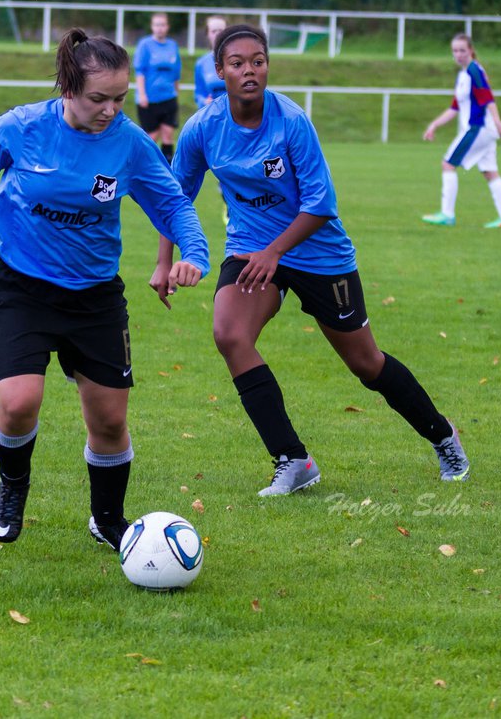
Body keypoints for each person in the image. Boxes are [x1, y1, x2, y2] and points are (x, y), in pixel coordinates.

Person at [0, 28, 210, 551]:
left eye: (120, 98)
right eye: (99, 98)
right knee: (19, 402)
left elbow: (172, 203)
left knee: (109, 418)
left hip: (95, 297)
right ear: (68, 88)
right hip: (22, 290)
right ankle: (13, 484)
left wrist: (194, 254)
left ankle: (106, 518)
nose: (111, 110)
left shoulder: (130, 144)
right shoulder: (24, 127)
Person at [152, 24, 468, 496]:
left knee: (366, 363)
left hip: (319, 253)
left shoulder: (291, 121)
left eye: (257, 60)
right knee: (230, 333)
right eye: (237, 63)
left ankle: (442, 435)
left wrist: (276, 251)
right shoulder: (202, 129)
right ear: (219, 71)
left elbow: (320, 204)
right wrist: (164, 262)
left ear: (267, 65)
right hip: (251, 250)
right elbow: (174, 198)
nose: (249, 70)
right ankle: (293, 460)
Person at [421, 33, 501, 229]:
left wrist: (498, 121)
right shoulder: (463, 75)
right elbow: (454, 108)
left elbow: (487, 98)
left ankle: (447, 214)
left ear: (471, 50)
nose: (458, 54)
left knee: (447, 164)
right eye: (455, 50)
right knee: (490, 172)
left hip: (478, 128)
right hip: (484, 130)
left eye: (462, 50)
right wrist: (435, 124)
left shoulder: (474, 70)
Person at [134, 12, 182, 160]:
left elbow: (176, 71)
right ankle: (143, 167)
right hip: (149, 99)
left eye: (162, 25)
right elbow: (140, 72)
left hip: (168, 97)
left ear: (167, 27)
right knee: (152, 137)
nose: (160, 28)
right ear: (152, 26)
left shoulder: (172, 46)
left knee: (168, 134)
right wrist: (142, 94)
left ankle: (168, 170)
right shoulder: (145, 45)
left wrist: (176, 90)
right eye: (157, 25)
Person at [193, 15, 228, 110]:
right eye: (213, 31)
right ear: (208, 34)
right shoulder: (201, 63)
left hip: (236, 115)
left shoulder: (238, 59)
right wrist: (204, 102)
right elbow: (198, 94)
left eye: (220, 30)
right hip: (212, 115)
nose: (217, 34)